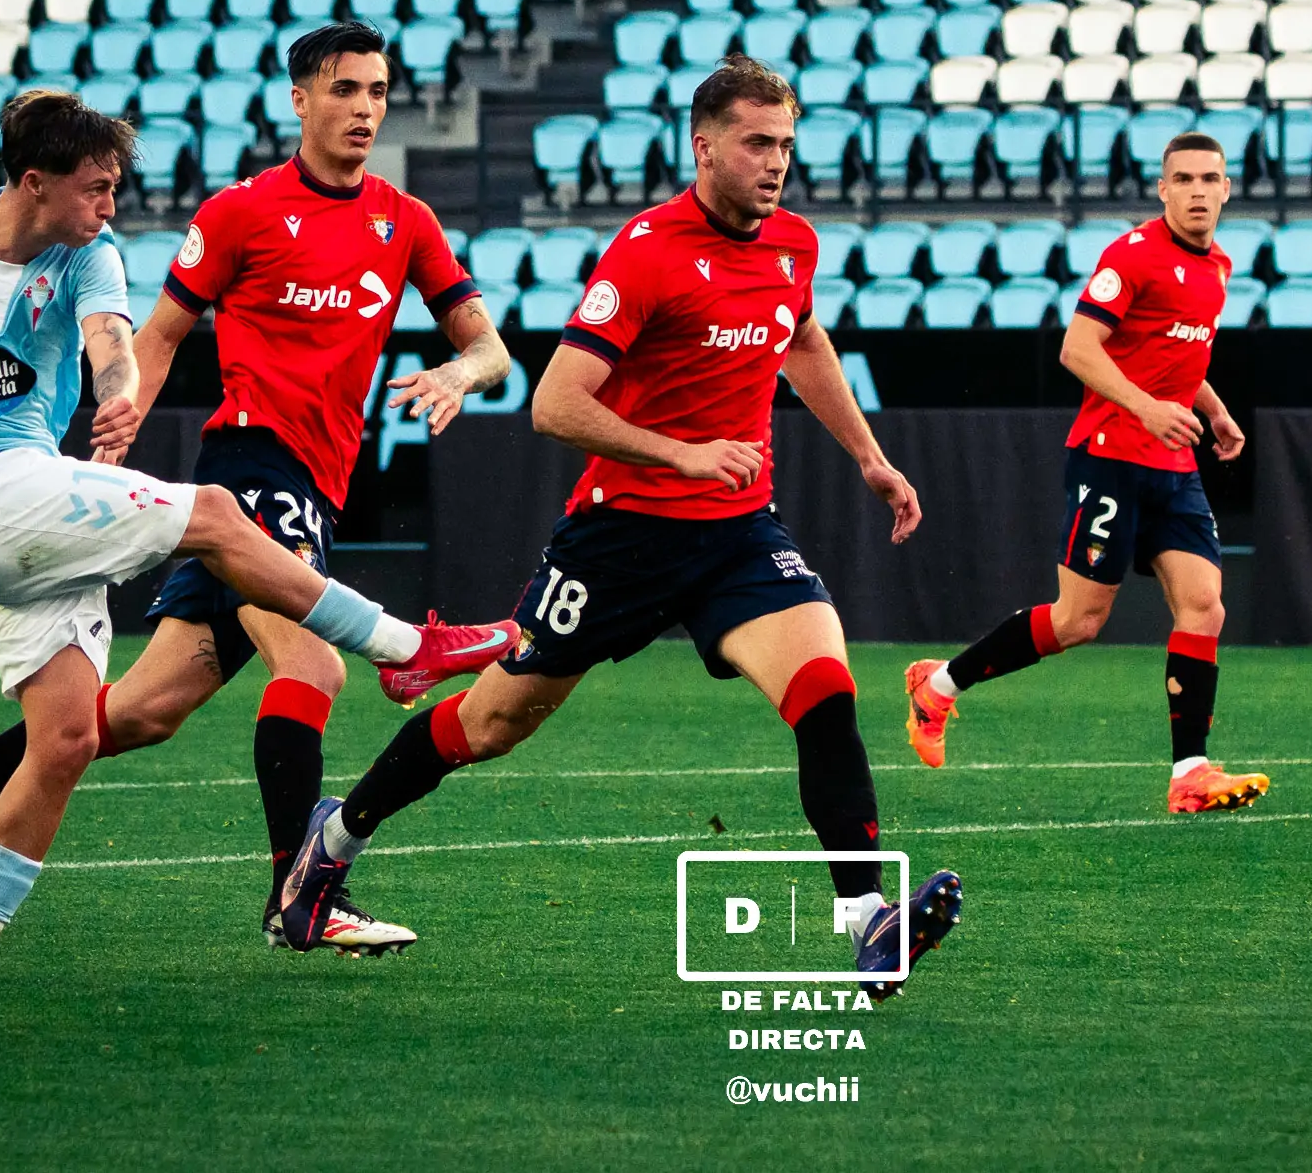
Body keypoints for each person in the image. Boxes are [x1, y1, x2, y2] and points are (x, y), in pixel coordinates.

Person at [0, 88, 483, 1030]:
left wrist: (116, 391)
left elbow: (114, 338)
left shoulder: (90, 253)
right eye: (96, 189)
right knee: (219, 518)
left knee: (75, 737)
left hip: (38, 499)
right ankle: (404, 648)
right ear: (34, 182)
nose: (111, 207)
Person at [276, 58, 965, 998]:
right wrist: (682, 454)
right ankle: (333, 841)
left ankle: (868, 919)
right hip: (619, 540)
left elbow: (801, 338)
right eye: (757, 143)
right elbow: (555, 404)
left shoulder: (793, 245)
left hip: (738, 534)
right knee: (490, 722)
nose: (776, 162)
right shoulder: (647, 252)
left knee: (825, 690)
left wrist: (870, 457)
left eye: (786, 144)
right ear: (704, 147)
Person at [900, 132, 1270, 816]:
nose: (1196, 191)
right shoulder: (1132, 256)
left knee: (1205, 604)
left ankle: (1189, 773)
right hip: (1110, 456)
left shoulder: (1218, 265)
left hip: (1173, 463)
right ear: (1162, 189)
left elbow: (1174, 356)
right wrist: (1146, 408)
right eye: (1183, 179)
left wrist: (1214, 410)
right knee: (1078, 621)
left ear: (1226, 189)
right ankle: (940, 685)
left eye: (1208, 179)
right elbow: (1077, 348)